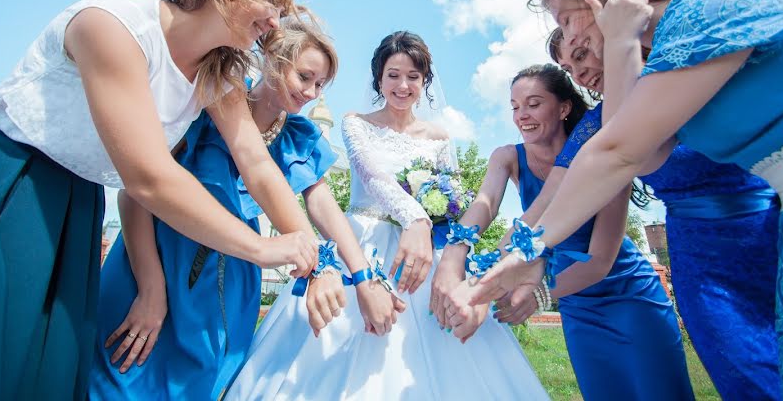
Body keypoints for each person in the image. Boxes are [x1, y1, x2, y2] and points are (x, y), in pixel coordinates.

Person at [0, 0, 321, 400]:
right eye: (272, 2)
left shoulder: (218, 72)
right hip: (6, 182)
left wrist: (309, 252)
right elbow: (147, 176)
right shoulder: (111, 25)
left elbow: (256, 163)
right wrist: (261, 249)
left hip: (78, 202)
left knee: (48, 374)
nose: (277, 23)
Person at [468, 0, 783, 399]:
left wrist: (529, 254)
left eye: (565, 21)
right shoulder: (661, 68)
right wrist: (518, 255)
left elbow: (620, 151)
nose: (571, 44)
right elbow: (636, 154)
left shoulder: (710, 6)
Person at [225, 31, 550, 400]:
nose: (403, 85)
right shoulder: (355, 123)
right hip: (364, 240)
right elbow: (373, 177)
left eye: (413, 76)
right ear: (379, 78)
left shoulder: (440, 137)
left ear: (424, 82)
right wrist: (416, 216)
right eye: (393, 75)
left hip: (426, 250)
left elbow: (455, 198)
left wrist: (438, 225)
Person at [89, 15, 397, 400]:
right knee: (122, 377)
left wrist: (361, 278)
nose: (311, 93)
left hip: (232, 282)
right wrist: (151, 288)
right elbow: (134, 193)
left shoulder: (299, 138)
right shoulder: (207, 104)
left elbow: (325, 209)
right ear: (272, 59)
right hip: (157, 258)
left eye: (320, 85)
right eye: (305, 77)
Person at [436, 64, 693, 400]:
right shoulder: (508, 157)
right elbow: (485, 204)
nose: (521, 115)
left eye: (533, 103)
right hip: (574, 300)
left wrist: (539, 296)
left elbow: (601, 259)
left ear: (564, 107)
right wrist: (457, 251)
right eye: (515, 107)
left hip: (625, 290)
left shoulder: (602, 150)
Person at [550, 27, 781, 399]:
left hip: (774, 228)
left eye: (581, 55)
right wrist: (519, 261)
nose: (578, 75)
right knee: (748, 374)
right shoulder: (599, 123)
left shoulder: (688, 70)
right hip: (702, 263)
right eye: (567, 67)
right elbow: (554, 194)